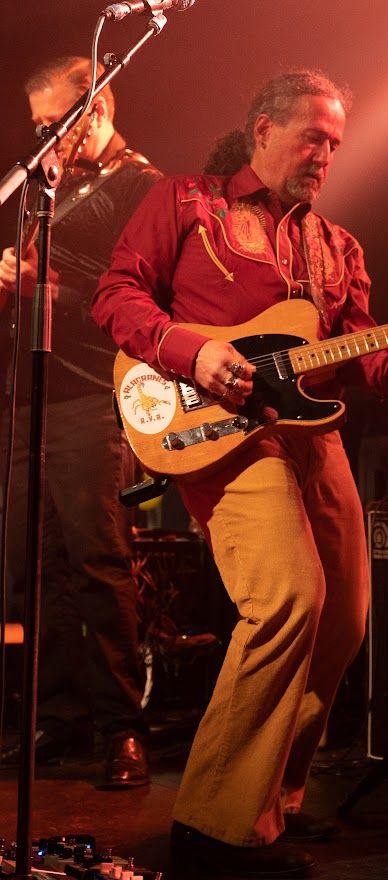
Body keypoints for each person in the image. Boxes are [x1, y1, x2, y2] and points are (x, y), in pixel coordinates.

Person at [91, 69, 388, 876]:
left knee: (344, 619)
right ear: (263, 129)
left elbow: (366, 358)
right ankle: (213, 824)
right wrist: (197, 352)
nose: (326, 155)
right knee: (289, 597)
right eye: (313, 138)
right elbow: (117, 294)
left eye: (336, 144)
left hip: (310, 434)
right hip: (221, 429)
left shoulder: (338, 247)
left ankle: (269, 802)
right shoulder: (186, 203)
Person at [0, 57, 162, 788]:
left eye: (54, 122)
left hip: (93, 396)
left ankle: (121, 729)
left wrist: (53, 290)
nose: (44, 136)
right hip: (26, 396)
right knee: (28, 569)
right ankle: (56, 717)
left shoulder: (144, 189)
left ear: (94, 110)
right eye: (36, 124)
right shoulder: (46, 190)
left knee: (98, 563)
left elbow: (148, 300)